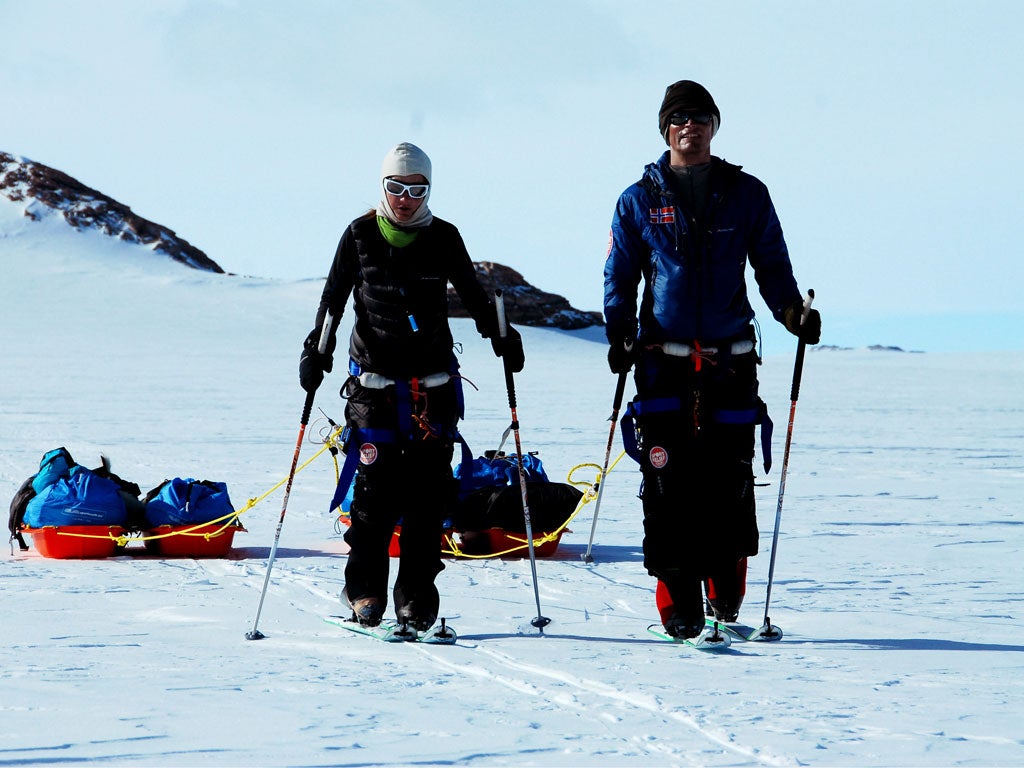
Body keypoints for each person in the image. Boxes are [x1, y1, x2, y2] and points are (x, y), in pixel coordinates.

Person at [603, 80, 821, 639]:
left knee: (729, 479)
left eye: (699, 118)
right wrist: (618, 333)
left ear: (713, 127)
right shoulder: (638, 200)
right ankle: (678, 602)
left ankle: (727, 593)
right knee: (667, 482)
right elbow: (620, 274)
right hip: (662, 362)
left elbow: (771, 265)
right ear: (665, 129)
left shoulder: (746, 193)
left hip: (730, 361)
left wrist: (792, 313)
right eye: (679, 119)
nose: (689, 127)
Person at [299, 142, 525, 631]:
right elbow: (332, 301)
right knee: (374, 501)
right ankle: (364, 591)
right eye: (395, 187)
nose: (405, 198)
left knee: (427, 501)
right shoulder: (358, 235)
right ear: (382, 187)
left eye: (416, 189)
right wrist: (315, 351)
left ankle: (416, 595)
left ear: (428, 191)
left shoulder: (444, 237)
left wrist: (502, 337)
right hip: (373, 391)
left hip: (432, 389)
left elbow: (473, 294)